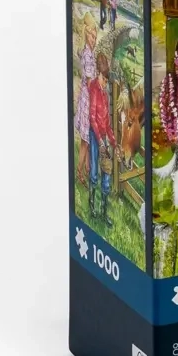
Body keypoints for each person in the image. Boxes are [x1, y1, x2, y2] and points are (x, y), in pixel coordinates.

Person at [89, 51, 116, 226]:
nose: (106, 83)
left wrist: (113, 142)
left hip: (104, 136)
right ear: (99, 74)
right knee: (94, 171)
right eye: (104, 79)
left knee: (106, 171)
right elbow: (93, 118)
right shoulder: (93, 87)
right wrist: (99, 141)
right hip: (94, 134)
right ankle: (92, 206)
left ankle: (104, 211)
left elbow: (107, 123)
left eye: (107, 80)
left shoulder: (105, 95)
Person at [74, 13, 98, 185]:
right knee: (85, 141)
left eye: (95, 37)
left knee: (87, 139)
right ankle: (79, 171)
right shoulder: (88, 56)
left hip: (85, 99)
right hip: (88, 100)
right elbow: (90, 84)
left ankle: (88, 169)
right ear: (86, 35)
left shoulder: (87, 52)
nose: (94, 40)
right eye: (91, 37)